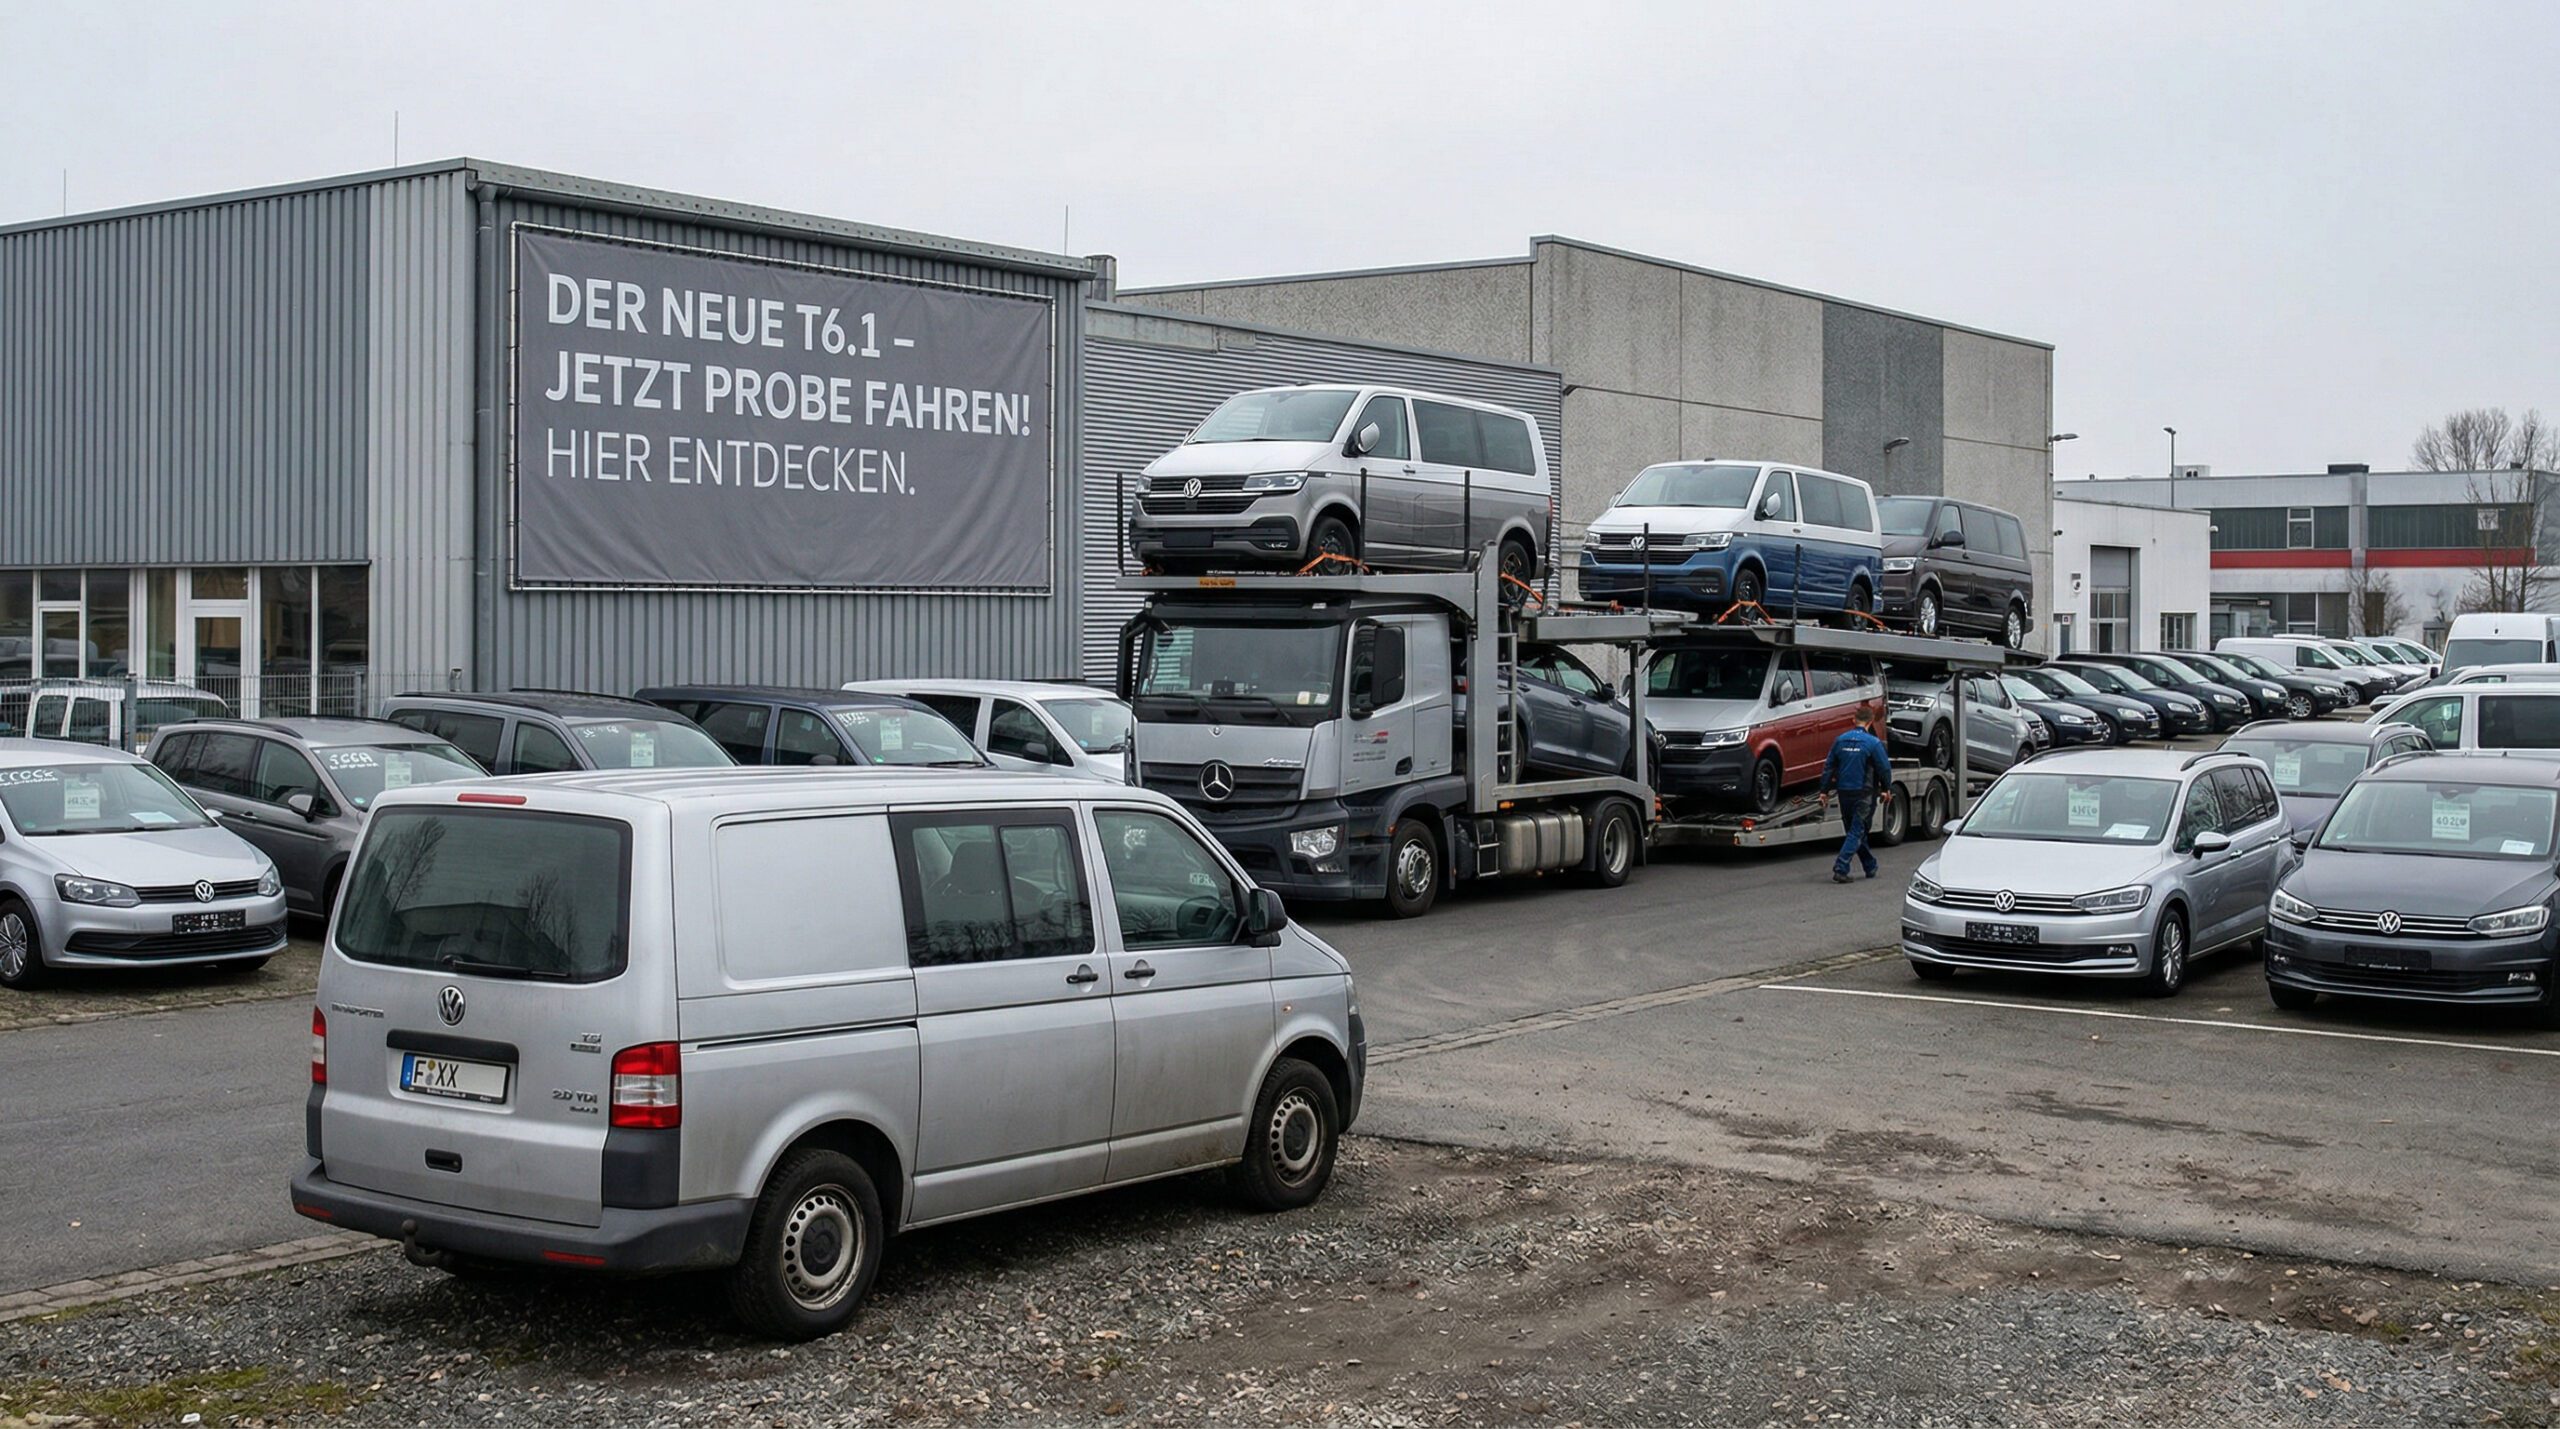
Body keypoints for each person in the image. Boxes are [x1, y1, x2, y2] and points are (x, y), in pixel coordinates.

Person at [1819, 707, 1893, 883]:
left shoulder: (1840, 741)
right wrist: (1886, 788)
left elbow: (1829, 767)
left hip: (1844, 792)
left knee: (1854, 831)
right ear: (1870, 722)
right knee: (1857, 831)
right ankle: (1841, 867)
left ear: (1854, 720)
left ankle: (1870, 865)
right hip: (1864, 793)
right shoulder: (1873, 743)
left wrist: (1824, 791)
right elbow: (1884, 768)